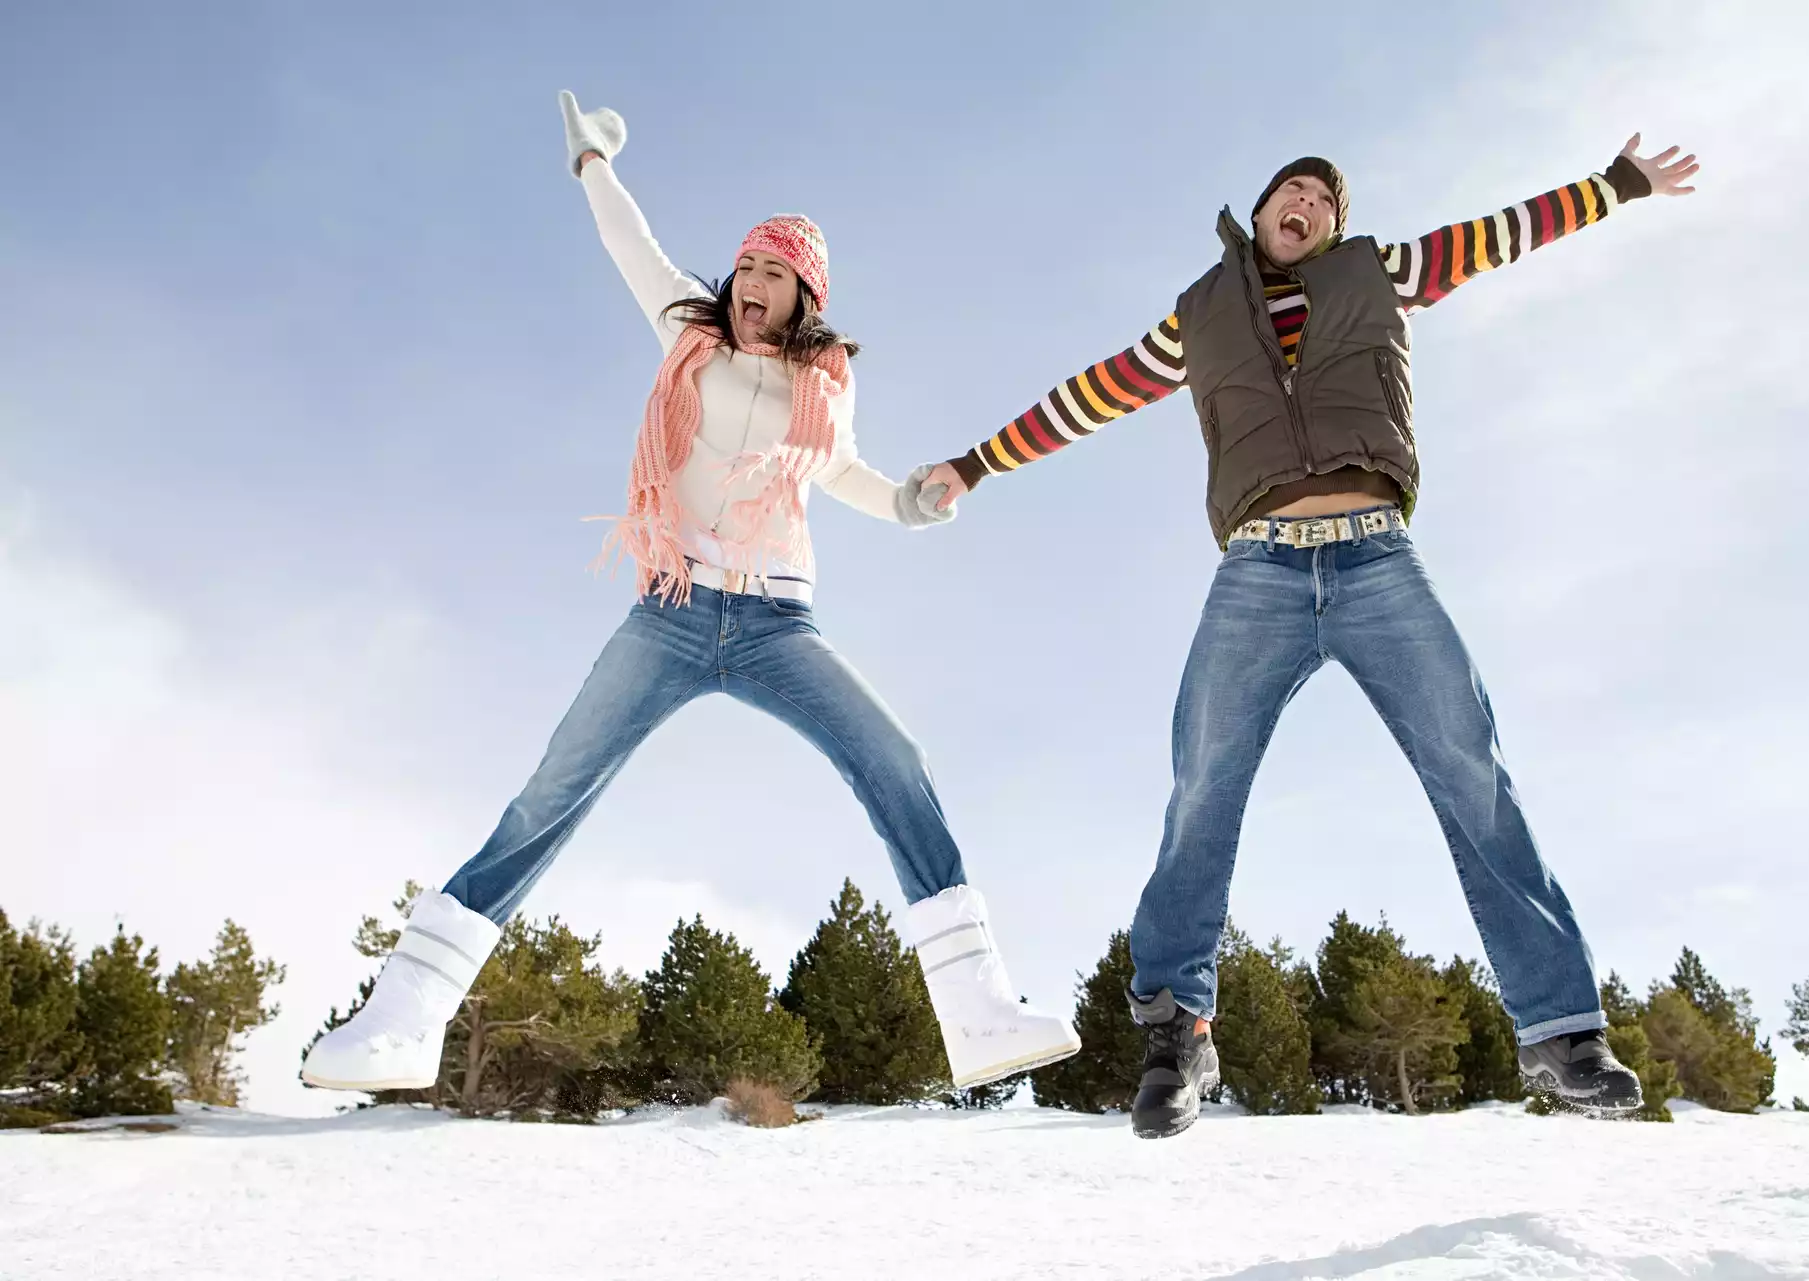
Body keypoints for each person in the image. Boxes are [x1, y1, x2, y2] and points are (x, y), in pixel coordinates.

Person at [919, 135, 1699, 1137]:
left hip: (1378, 558)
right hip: (1260, 568)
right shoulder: (1196, 318)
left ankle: (1561, 1030)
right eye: (1291, 191)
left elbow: (1498, 235)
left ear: (1333, 227)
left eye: (1324, 200)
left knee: (1472, 769)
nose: (1307, 203)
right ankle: (1177, 1031)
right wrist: (975, 464)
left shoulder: (1382, 271)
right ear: (1259, 215)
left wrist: (1617, 185)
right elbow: (1089, 395)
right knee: (1204, 782)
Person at [302, 92, 1078, 1097]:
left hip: (775, 622)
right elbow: (632, 244)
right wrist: (593, 162)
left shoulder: (823, 386)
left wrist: (907, 502)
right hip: (671, 612)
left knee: (895, 759)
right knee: (553, 791)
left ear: (805, 296)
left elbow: (843, 473)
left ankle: (977, 1011)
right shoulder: (689, 333)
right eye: (746, 265)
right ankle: (405, 1016)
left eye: (775, 273)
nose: (753, 282)